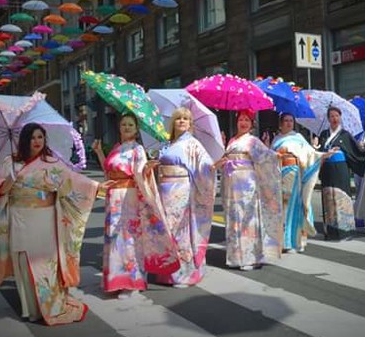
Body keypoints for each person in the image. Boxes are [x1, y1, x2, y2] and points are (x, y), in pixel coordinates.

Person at [0, 123, 109, 325]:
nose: (37, 141)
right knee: (23, 259)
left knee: (46, 263)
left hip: (44, 219)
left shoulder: (51, 162)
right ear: (25, 141)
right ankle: (32, 309)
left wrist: (97, 188)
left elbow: (72, 180)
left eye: (40, 137)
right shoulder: (9, 162)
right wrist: (9, 180)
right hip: (19, 217)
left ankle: (52, 305)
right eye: (32, 138)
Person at [92, 113, 179, 299]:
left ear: (136, 128)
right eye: (123, 124)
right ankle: (116, 279)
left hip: (129, 198)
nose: (127, 127)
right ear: (119, 127)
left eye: (130, 125)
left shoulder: (137, 149)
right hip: (113, 198)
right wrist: (99, 152)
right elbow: (109, 172)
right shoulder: (117, 148)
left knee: (128, 238)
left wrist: (147, 170)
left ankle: (132, 281)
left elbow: (139, 174)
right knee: (114, 239)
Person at [143, 107, 215, 287]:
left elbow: (204, 163)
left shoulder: (193, 143)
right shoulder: (168, 144)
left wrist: (211, 167)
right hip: (164, 188)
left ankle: (183, 273)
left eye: (186, 119)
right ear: (173, 122)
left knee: (179, 229)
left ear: (190, 124)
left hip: (182, 189)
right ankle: (168, 270)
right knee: (166, 228)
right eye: (178, 118)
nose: (182, 121)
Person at [212, 110, 283, 270]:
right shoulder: (231, 140)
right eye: (241, 119)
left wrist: (275, 155)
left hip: (247, 183)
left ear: (251, 124)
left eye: (247, 120)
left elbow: (265, 157)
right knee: (233, 217)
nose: (243, 123)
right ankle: (236, 257)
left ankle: (250, 257)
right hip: (231, 182)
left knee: (247, 217)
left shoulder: (253, 141)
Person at [266, 113, 335, 253]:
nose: (288, 123)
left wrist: (324, 154)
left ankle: (296, 242)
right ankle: (284, 241)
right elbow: (269, 158)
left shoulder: (298, 138)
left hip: (294, 173)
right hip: (279, 174)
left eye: (291, 120)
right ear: (280, 123)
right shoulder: (276, 139)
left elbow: (311, 154)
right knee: (282, 208)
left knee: (295, 207)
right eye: (285, 120)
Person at [315, 106, 365, 240]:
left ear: (340, 117)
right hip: (327, 168)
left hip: (341, 168)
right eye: (331, 116)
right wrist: (316, 147)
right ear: (328, 119)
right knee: (329, 197)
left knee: (342, 197)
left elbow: (356, 152)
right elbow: (320, 152)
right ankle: (331, 230)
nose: (334, 119)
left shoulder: (345, 135)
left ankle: (346, 230)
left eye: (337, 116)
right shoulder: (324, 135)